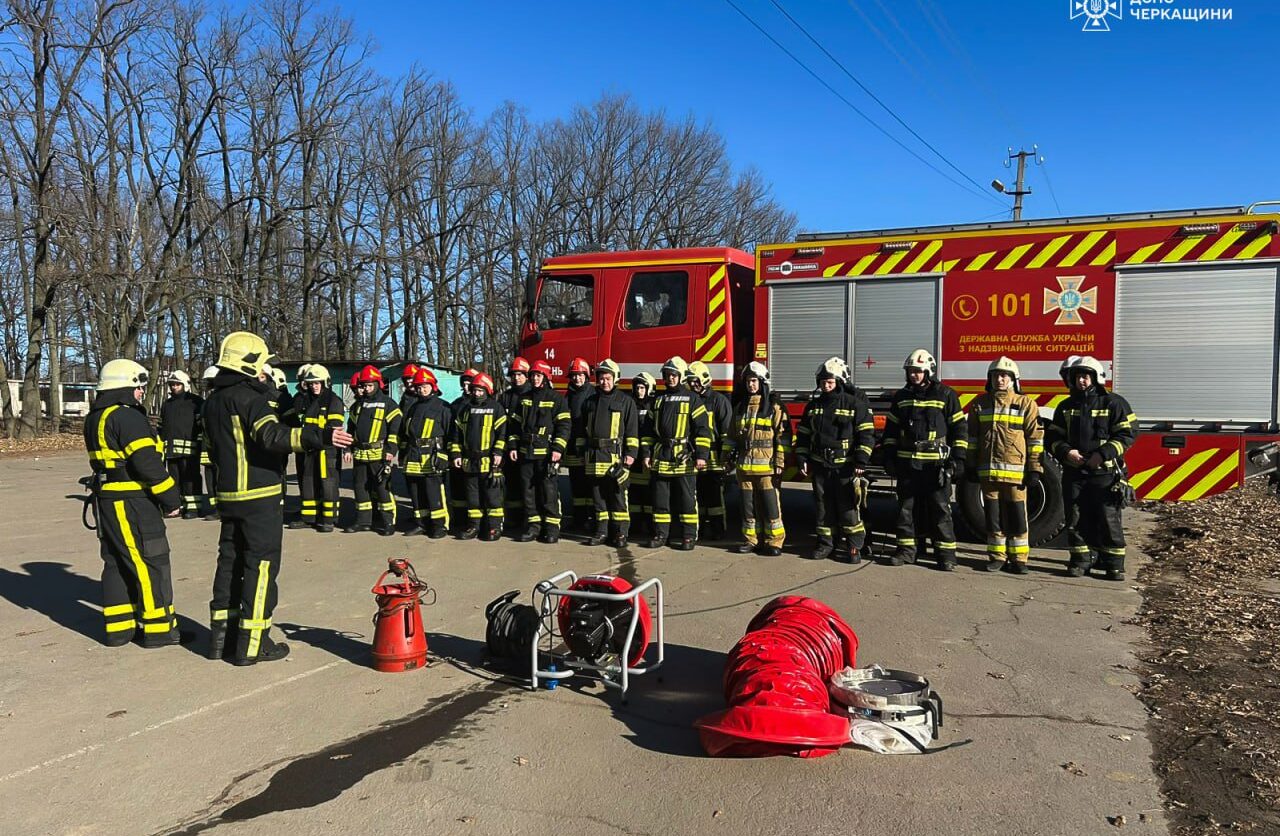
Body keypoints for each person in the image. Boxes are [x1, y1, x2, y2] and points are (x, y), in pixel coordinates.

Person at [203, 332, 352, 664]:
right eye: (261, 364)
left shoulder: (212, 401)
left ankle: (220, 641)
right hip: (259, 496)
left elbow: (214, 447)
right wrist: (321, 436)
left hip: (228, 496)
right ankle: (253, 645)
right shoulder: (251, 399)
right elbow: (271, 436)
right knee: (260, 567)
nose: (264, 371)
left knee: (229, 565)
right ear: (249, 365)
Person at [84, 359, 185, 647]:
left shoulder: (95, 416)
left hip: (107, 500)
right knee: (151, 562)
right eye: (137, 387)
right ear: (124, 387)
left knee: (116, 563)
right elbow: (147, 463)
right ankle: (159, 630)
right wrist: (171, 498)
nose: (141, 392)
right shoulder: (126, 417)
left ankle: (119, 630)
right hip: (133, 502)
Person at [1047, 355, 1138, 581]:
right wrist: (1066, 452)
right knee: (1076, 518)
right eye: (1078, 377)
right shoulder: (1066, 407)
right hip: (1075, 472)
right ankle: (1080, 561)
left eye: (1086, 377)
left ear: (1096, 378)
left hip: (1105, 472)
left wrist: (1102, 454)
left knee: (1108, 518)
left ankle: (1113, 565)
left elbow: (1127, 434)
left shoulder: (1114, 403)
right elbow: (1053, 438)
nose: (1081, 381)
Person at [882, 349, 968, 570]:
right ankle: (906, 551)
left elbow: (959, 429)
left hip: (935, 466)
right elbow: (891, 431)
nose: (914, 375)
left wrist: (958, 459)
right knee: (906, 510)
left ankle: (945, 555)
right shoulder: (901, 397)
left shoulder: (946, 395)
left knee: (940, 510)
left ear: (928, 371)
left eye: (918, 371)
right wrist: (888, 457)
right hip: (908, 465)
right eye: (911, 371)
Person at [967, 356, 1044, 574]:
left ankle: (1019, 559)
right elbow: (972, 439)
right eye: (995, 376)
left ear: (1013, 379)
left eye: (1004, 376)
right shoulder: (979, 404)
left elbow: (1035, 440)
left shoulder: (1026, 404)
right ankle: (996, 557)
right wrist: (970, 465)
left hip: (1015, 474)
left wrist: (1035, 469)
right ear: (989, 379)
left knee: (1017, 518)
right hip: (988, 474)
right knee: (993, 518)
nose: (999, 379)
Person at [796, 358, 875, 563]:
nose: (826, 385)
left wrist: (861, 461)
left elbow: (866, 435)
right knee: (823, 508)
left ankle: (854, 546)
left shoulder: (854, 404)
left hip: (845, 467)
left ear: (838, 381)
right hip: (820, 466)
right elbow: (803, 435)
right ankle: (825, 544)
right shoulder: (813, 406)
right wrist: (802, 458)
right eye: (823, 382)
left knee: (848, 508)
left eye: (830, 381)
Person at [642, 356, 710, 550]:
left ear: (681, 376)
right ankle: (661, 534)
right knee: (660, 500)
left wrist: (701, 456)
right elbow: (647, 431)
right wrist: (646, 453)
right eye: (667, 375)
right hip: (661, 455)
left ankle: (688, 536)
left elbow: (703, 429)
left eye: (674, 375)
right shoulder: (658, 400)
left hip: (684, 457)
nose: (670, 378)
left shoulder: (693, 399)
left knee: (687, 500)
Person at [727, 362, 791, 557]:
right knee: (748, 507)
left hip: (767, 468)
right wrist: (726, 458)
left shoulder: (774, 407)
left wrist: (779, 461)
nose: (751, 385)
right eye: (748, 381)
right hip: (744, 467)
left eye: (754, 381)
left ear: (762, 382)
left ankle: (774, 542)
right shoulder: (740, 407)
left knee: (771, 507)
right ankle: (751, 540)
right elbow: (731, 436)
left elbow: (783, 437)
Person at [506, 359, 570, 543]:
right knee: (528, 492)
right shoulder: (524, 399)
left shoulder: (556, 398)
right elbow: (514, 426)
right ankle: (534, 527)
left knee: (548, 491)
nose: (535, 379)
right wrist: (513, 446)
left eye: (538, 376)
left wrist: (558, 448)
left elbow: (564, 426)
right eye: (533, 375)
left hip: (546, 454)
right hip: (526, 452)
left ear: (546, 377)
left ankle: (551, 528)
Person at [579, 359, 639, 547]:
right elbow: (582, 429)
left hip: (615, 458)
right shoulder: (590, 402)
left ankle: (620, 533)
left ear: (615, 379)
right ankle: (601, 532)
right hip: (593, 457)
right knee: (598, 498)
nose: (604, 382)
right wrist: (582, 452)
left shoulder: (625, 401)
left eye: (608, 378)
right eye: (601, 378)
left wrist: (631, 454)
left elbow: (632, 430)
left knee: (618, 497)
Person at [344, 365, 402, 536]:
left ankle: (388, 522)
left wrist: (391, 450)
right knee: (360, 488)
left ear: (377, 384)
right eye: (364, 386)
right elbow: (350, 429)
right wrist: (347, 449)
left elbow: (395, 430)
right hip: (360, 454)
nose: (366, 389)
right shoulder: (357, 406)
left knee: (382, 488)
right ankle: (363, 521)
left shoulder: (388, 404)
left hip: (379, 453)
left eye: (370, 385)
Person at [450, 372, 508, 540]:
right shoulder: (465, 409)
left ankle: (494, 527)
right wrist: (456, 454)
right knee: (472, 497)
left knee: (492, 497)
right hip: (469, 461)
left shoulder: (496, 408)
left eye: (480, 390)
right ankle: (474, 526)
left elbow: (502, 434)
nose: (476, 393)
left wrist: (498, 453)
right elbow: (456, 435)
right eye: (475, 390)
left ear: (487, 390)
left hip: (489, 461)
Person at [289, 364, 345, 532]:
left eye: (317, 383)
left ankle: (329, 519)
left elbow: (335, 428)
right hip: (310, 449)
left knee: (328, 484)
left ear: (325, 382)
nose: (314, 386)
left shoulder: (333, 401)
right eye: (311, 383)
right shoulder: (307, 401)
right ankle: (309, 517)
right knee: (308, 482)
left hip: (327, 451)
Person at [401, 367, 452, 538]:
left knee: (434, 492)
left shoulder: (443, 407)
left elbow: (451, 434)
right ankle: (421, 523)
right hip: (413, 455)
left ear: (432, 386)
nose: (422, 390)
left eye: (425, 386)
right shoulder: (413, 407)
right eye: (419, 387)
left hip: (432, 455)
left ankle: (439, 526)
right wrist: (403, 453)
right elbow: (405, 432)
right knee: (416, 493)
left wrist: (444, 454)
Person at [686, 360, 733, 539]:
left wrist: (726, 458)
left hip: (714, 459)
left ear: (704, 379)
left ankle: (717, 530)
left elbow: (726, 432)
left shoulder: (718, 401)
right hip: (694, 456)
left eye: (696, 381)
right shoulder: (691, 400)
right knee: (697, 496)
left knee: (714, 498)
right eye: (691, 381)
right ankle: (701, 528)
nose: (693, 384)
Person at [159, 369, 204, 519]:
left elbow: (201, 425)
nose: (174, 387)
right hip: (171, 451)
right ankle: (177, 506)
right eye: (172, 384)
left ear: (185, 384)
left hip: (190, 450)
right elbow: (162, 426)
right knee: (174, 480)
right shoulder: (167, 404)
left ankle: (193, 508)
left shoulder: (195, 402)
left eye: (177, 384)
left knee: (190, 478)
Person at [499, 357, 533, 534]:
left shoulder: (532, 394)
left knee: (527, 485)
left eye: (520, 374)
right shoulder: (505, 396)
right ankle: (513, 518)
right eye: (514, 374)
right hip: (509, 446)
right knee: (511, 483)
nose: (517, 378)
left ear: (526, 376)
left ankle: (529, 518)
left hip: (528, 446)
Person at [562, 357, 596, 532]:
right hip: (572, 446)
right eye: (574, 375)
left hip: (587, 448)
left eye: (580, 375)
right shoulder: (569, 394)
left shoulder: (592, 393)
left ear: (586, 376)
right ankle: (579, 519)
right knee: (576, 484)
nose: (577, 378)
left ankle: (592, 519)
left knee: (591, 485)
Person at [448, 368, 479, 533]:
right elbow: (451, 432)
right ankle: (459, 518)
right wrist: (453, 453)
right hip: (458, 453)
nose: (466, 388)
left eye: (470, 384)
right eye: (464, 384)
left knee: (474, 490)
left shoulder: (484, 405)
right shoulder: (455, 405)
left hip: (475, 455)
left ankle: (475, 521)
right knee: (457, 488)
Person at [628, 372, 657, 540]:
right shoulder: (630, 405)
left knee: (649, 493)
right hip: (634, 454)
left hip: (648, 455)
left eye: (642, 388)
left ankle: (650, 525)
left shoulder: (653, 405)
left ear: (649, 389)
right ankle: (635, 524)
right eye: (637, 388)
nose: (639, 391)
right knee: (634, 491)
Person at [199, 365, 220, 519]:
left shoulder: (221, 399)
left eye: (210, 381)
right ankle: (215, 507)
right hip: (208, 444)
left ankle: (222, 508)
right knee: (210, 475)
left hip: (220, 445)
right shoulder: (208, 400)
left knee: (220, 476)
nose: (208, 385)